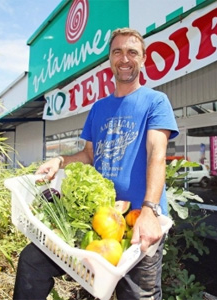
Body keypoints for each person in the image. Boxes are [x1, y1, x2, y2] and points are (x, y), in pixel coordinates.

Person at [13, 27, 179, 300]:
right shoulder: (99, 108)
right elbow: (89, 155)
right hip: (99, 219)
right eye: (117, 52)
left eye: (132, 52)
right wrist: (59, 160)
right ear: (110, 60)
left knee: (139, 296)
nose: (124, 58)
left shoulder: (155, 101)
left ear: (143, 59)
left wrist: (150, 211)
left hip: (139, 221)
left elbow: (156, 154)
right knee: (33, 260)